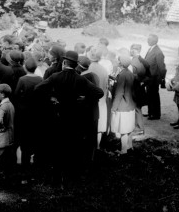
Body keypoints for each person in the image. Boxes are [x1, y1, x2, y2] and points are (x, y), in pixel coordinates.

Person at [33, 50, 104, 187]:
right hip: (75, 119)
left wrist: (51, 98)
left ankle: (56, 180)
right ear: (75, 64)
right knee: (72, 148)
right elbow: (99, 92)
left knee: (57, 148)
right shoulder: (80, 79)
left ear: (64, 62)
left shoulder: (55, 76)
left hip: (58, 117)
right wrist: (85, 98)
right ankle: (70, 179)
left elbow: (38, 88)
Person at [12, 56, 42, 171]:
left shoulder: (22, 79)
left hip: (23, 113)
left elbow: (15, 95)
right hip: (36, 113)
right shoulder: (40, 79)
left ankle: (23, 167)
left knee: (24, 139)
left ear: (25, 67)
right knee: (33, 138)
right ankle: (33, 163)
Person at [110, 54, 137, 155]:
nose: (117, 61)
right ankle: (130, 146)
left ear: (121, 63)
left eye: (118, 60)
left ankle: (123, 150)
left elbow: (119, 93)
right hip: (130, 104)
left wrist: (114, 107)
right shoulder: (129, 73)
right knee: (129, 127)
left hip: (122, 106)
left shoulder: (121, 75)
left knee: (123, 130)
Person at [0, 84, 17, 180]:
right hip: (8, 138)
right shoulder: (10, 105)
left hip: (0, 140)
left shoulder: (3, 106)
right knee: (7, 160)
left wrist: (1, 128)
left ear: (3, 94)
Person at [87, 46, 110, 150]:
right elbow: (106, 86)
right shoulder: (104, 70)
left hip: (89, 101)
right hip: (101, 100)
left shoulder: (88, 69)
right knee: (99, 127)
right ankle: (97, 146)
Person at [144, 34, 166, 120]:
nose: (147, 41)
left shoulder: (158, 52)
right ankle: (150, 112)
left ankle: (156, 114)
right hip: (149, 77)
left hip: (154, 78)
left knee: (154, 96)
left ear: (154, 41)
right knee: (149, 95)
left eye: (149, 39)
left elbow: (161, 67)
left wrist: (162, 78)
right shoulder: (151, 49)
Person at [129, 44, 150, 135]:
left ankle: (139, 128)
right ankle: (138, 127)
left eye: (131, 49)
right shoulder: (145, 61)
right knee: (138, 107)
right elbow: (149, 76)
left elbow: (132, 76)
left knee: (136, 108)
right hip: (140, 87)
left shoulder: (133, 62)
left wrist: (138, 80)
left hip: (135, 88)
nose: (130, 51)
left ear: (134, 50)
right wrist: (143, 82)